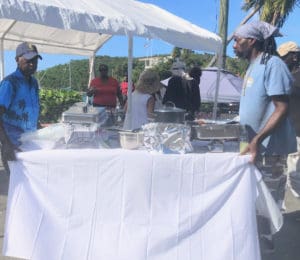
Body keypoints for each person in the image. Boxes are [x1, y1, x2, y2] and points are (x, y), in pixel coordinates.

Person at [233, 21, 297, 253]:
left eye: (237, 40)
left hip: (268, 151)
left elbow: (281, 108)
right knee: (251, 208)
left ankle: (265, 253)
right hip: (253, 148)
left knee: (265, 208)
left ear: (252, 41)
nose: (234, 45)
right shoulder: (252, 67)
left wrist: (257, 139)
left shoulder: (273, 64)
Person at [0, 42, 42, 173]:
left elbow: (31, 111)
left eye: (35, 60)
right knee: (18, 187)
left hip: (31, 143)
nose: (32, 64)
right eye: (28, 60)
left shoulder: (34, 82)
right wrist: (6, 144)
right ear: (17, 60)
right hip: (13, 146)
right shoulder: (10, 83)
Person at [277, 41, 300, 146]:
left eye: (283, 57)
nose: (280, 60)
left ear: (294, 57)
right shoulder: (282, 77)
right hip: (284, 134)